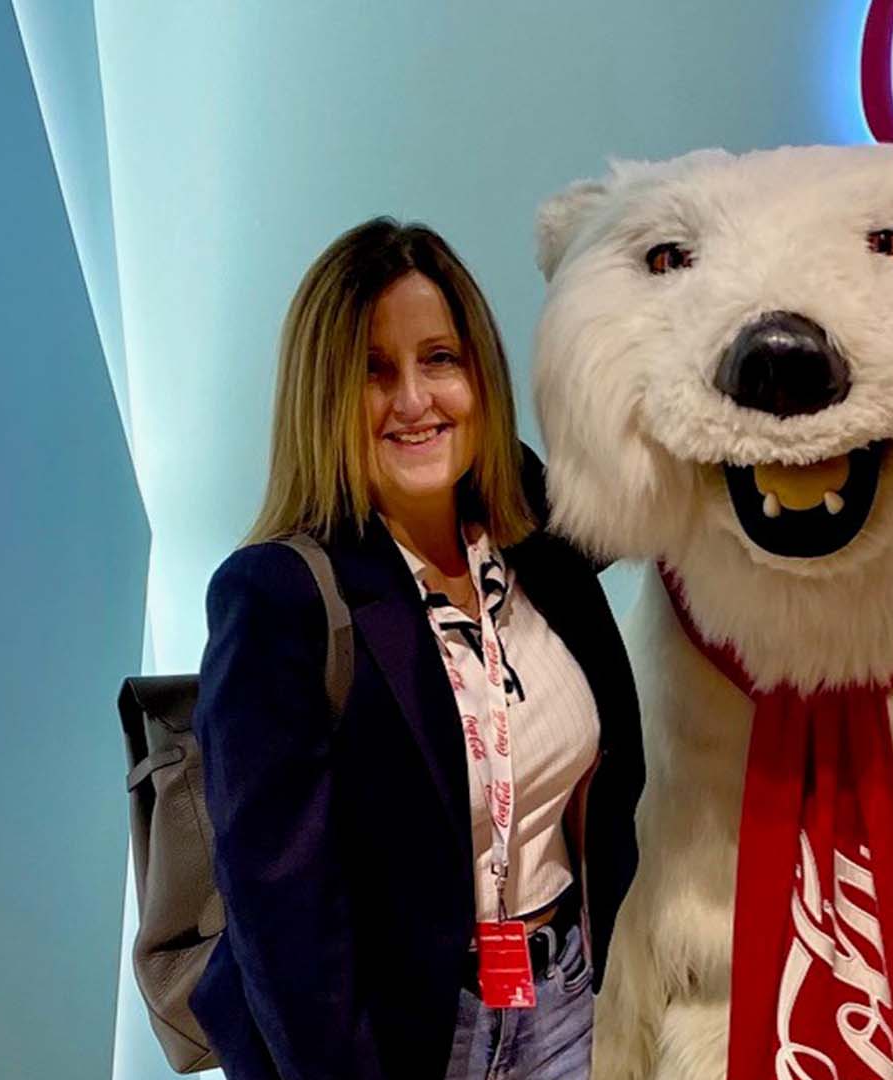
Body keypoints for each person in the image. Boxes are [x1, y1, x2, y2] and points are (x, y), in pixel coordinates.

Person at [191, 218, 643, 1079]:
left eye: (439, 359)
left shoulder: (530, 525)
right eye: (372, 370)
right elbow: (283, 922)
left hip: (572, 1001)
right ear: (323, 395)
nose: (413, 401)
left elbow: (655, 480)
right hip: (412, 1037)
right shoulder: (280, 597)